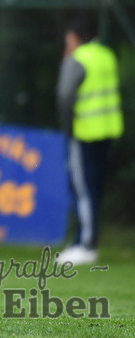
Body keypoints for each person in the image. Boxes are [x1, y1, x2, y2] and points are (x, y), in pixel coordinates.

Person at [56, 15, 124, 266]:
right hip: (107, 130)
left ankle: (85, 244)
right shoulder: (106, 55)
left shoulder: (78, 59)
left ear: (74, 38)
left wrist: (68, 128)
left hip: (83, 132)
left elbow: (64, 96)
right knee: (95, 187)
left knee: (83, 189)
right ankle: (87, 239)